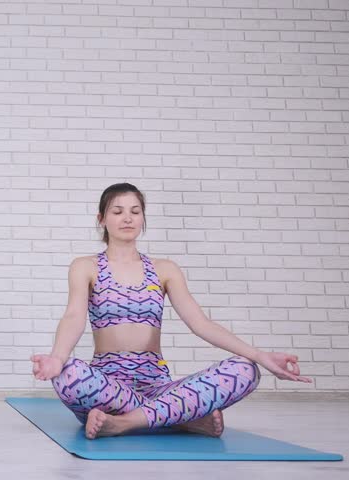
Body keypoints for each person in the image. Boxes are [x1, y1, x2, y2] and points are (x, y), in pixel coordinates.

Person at [31, 183, 310, 439]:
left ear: (143, 218)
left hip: (157, 385)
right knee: (68, 374)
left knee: (246, 370)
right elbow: (74, 316)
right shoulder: (85, 266)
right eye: (117, 211)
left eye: (135, 212)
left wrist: (260, 356)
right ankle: (179, 418)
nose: (127, 218)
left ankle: (124, 422)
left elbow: (201, 323)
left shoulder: (165, 269)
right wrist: (58, 358)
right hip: (107, 388)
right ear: (101, 219)